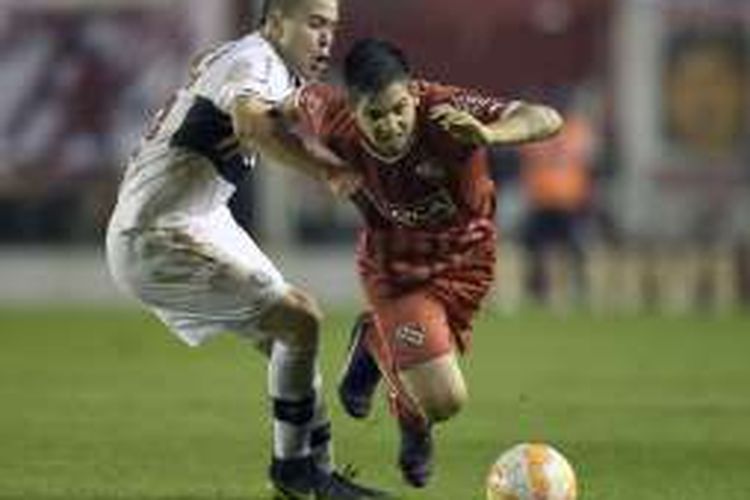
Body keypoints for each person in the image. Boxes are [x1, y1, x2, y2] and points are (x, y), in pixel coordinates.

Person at [105, 1, 390, 498]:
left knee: (295, 335)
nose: (326, 38)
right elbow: (253, 125)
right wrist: (327, 171)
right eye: (315, 23)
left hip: (203, 217)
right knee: (300, 320)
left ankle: (313, 474)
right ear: (275, 21)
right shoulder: (257, 62)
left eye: (332, 27)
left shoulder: (263, 63)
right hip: (158, 233)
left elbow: (211, 73)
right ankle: (296, 473)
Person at [271, 38, 563, 487]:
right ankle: (412, 417)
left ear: (412, 93)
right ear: (353, 108)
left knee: (431, 391)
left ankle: (374, 340)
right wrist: (319, 167)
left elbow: (547, 118)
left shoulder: (446, 112)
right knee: (445, 400)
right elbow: (277, 109)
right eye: (375, 115)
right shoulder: (332, 115)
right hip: (396, 267)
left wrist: (491, 135)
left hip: (469, 259)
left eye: (398, 109)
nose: (390, 124)